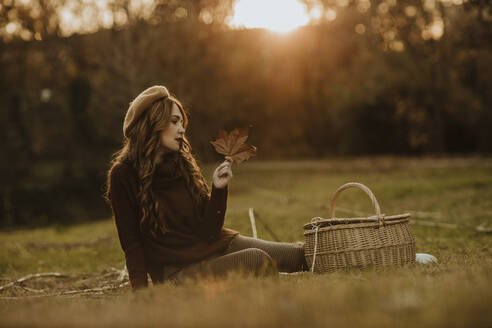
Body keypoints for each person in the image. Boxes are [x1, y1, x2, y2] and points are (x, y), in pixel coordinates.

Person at [104, 85, 308, 291]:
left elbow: (209, 231)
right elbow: (132, 244)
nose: (182, 129)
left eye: (182, 122)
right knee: (257, 260)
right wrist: (142, 295)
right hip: (178, 272)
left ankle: (339, 256)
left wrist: (218, 190)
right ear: (152, 124)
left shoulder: (181, 164)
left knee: (299, 254)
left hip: (214, 246)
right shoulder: (123, 174)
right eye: (174, 122)